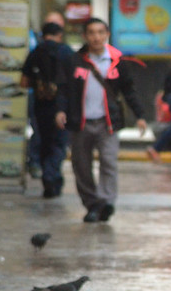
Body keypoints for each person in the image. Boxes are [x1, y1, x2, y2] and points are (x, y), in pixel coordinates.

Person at [55, 17, 148, 223]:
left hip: (108, 123)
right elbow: (63, 89)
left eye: (100, 32)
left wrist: (140, 116)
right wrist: (60, 111)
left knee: (108, 162)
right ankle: (92, 204)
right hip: (80, 122)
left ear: (106, 35)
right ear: (85, 36)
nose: (96, 37)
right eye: (91, 33)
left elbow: (129, 91)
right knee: (81, 166)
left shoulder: (117, 62)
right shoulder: (74, 61)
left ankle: (106, 202)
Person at [20, 21, 73, 198]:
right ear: (59, 35)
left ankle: (48, 178)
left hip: (41, 105)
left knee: (44, 142)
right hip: (63, 105)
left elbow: (24, 82)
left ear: (43, 35)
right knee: (59, 143)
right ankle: (52, 176)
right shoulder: (66, 52)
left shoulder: (35, 52)